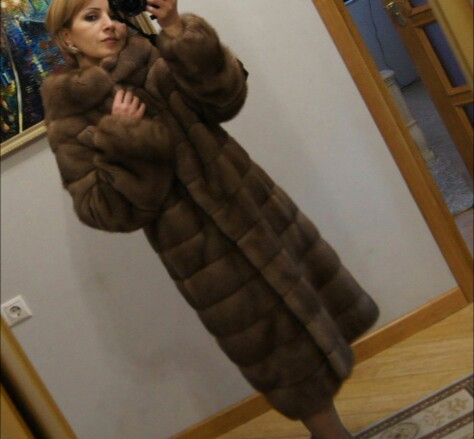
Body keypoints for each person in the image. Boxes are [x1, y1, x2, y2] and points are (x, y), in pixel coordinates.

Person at [41, 1, 379, 437]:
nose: (109, 25)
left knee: (311, 318)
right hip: (204, 254)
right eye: (91, 17)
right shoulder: (69, 111)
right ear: (67, 37)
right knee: (282, 355)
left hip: (253, 210)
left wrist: (176, 29)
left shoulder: (151, 56)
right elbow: (100, 209)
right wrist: (124, 140)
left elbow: (225, 100)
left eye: (110, 13)